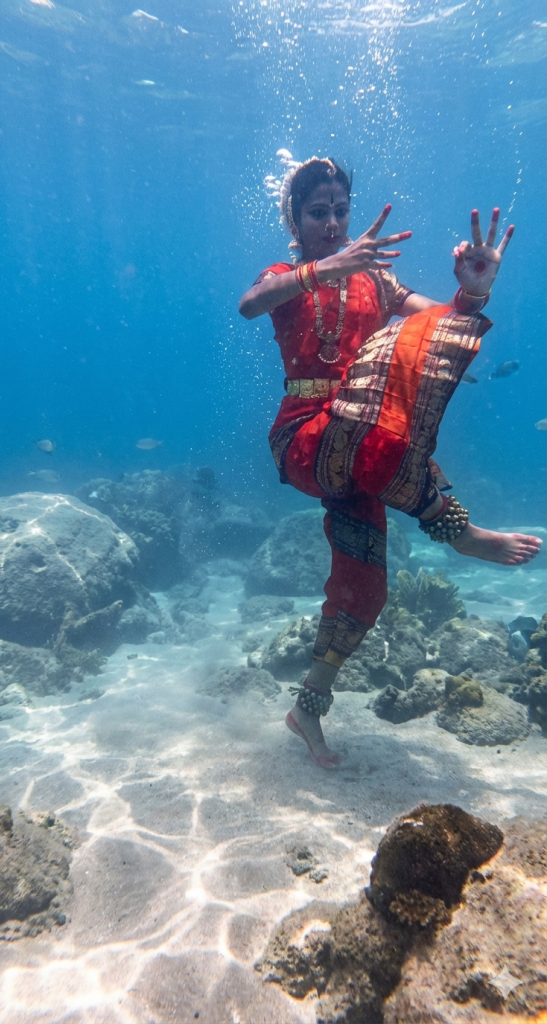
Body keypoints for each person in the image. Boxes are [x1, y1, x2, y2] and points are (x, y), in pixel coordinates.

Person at [238, 157, 541, 770]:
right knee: (381, 410)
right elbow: (250, 304)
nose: (332, 222)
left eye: (340, 211)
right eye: (317, 213)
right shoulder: (290, 273)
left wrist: (475, 287)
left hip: (362, 453)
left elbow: (442, 324)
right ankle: (458, 530)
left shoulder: (379, 284)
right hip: (306, 440)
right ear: (295, 220)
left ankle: (308, 708)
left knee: (364, 590)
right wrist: (323, 268)